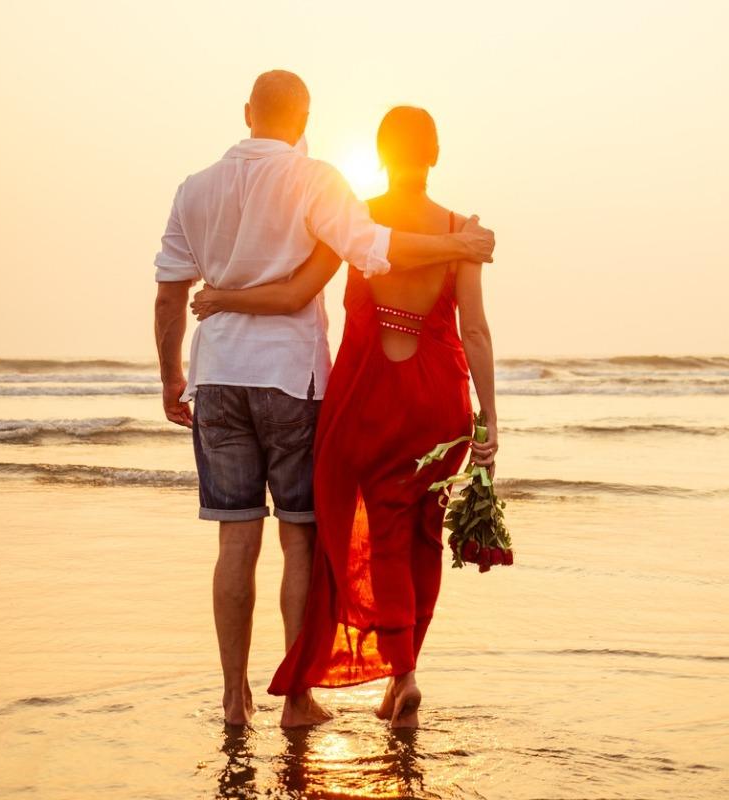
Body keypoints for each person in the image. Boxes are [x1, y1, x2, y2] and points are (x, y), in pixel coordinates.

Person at [153, 73, 496, 729]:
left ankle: (237, 699)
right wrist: (456, 245)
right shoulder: (329, 189)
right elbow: (415, 283)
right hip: (329, 383)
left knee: (242, 540)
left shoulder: (197, 190)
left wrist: (174, 372)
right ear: (304, 116)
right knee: (322, 536)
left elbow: (173, 292)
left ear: (247, 112)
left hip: (251, 379)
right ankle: (340, 688)